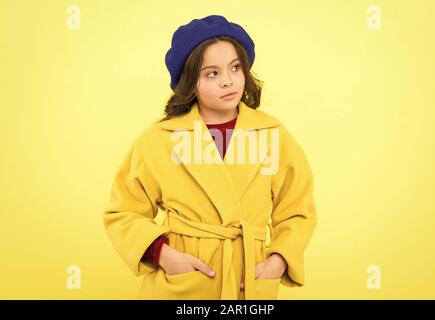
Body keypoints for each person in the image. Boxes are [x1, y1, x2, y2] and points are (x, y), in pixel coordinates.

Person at [103, 15, 317, 300]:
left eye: (235, 68)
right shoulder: (159, 140)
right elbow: (123, 213)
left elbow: (298, 210)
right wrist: (165, 256)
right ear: (190, 82)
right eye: (212, 73)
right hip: (184, 285)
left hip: (249, 281)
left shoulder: (272, 135)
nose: (228, 81)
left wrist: (278, 261)